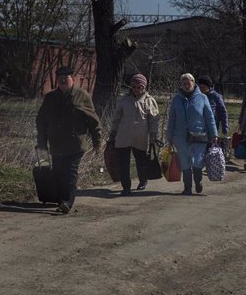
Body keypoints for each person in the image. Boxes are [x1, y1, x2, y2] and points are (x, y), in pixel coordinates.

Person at [36, 66, 101, 214]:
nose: (64, 81)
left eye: (67, 78)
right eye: (61, 79)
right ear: (57, 81)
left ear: (73, 79)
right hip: (56, 143)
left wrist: (97, 142)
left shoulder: (82, 96)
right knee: (58, 172)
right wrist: (42, 142)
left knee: (70, 172)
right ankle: (61, 200)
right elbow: (41, 121)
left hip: (75, 144)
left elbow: (93, 121)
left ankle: (67, 202)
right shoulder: (51, 98)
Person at [167, 73, 218, 195]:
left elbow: (209, 117)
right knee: (184, 162)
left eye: (188, 83)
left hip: (198, 135)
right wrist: (169, 136)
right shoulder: (176, 99)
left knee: (197, 161)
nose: (186, 85)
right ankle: (187, 187)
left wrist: (214, 134)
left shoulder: (202, 98)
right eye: (183, 83)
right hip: (180, 136)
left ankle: (198, 181)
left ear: (193, 83)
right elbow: (172, 119)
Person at [109, 74, 159, 196]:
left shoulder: (149, 100)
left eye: (139, 87)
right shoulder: (124, 100)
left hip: (140, 137)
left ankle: (143, 180)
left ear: (144, 87)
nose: (136, 89)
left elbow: (153, 120)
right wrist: (113, 133)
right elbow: (116, 118)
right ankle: (126, 187)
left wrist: (153, 136)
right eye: (134, 87)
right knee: (123, 163)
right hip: (123, 136)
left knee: (141, 161)